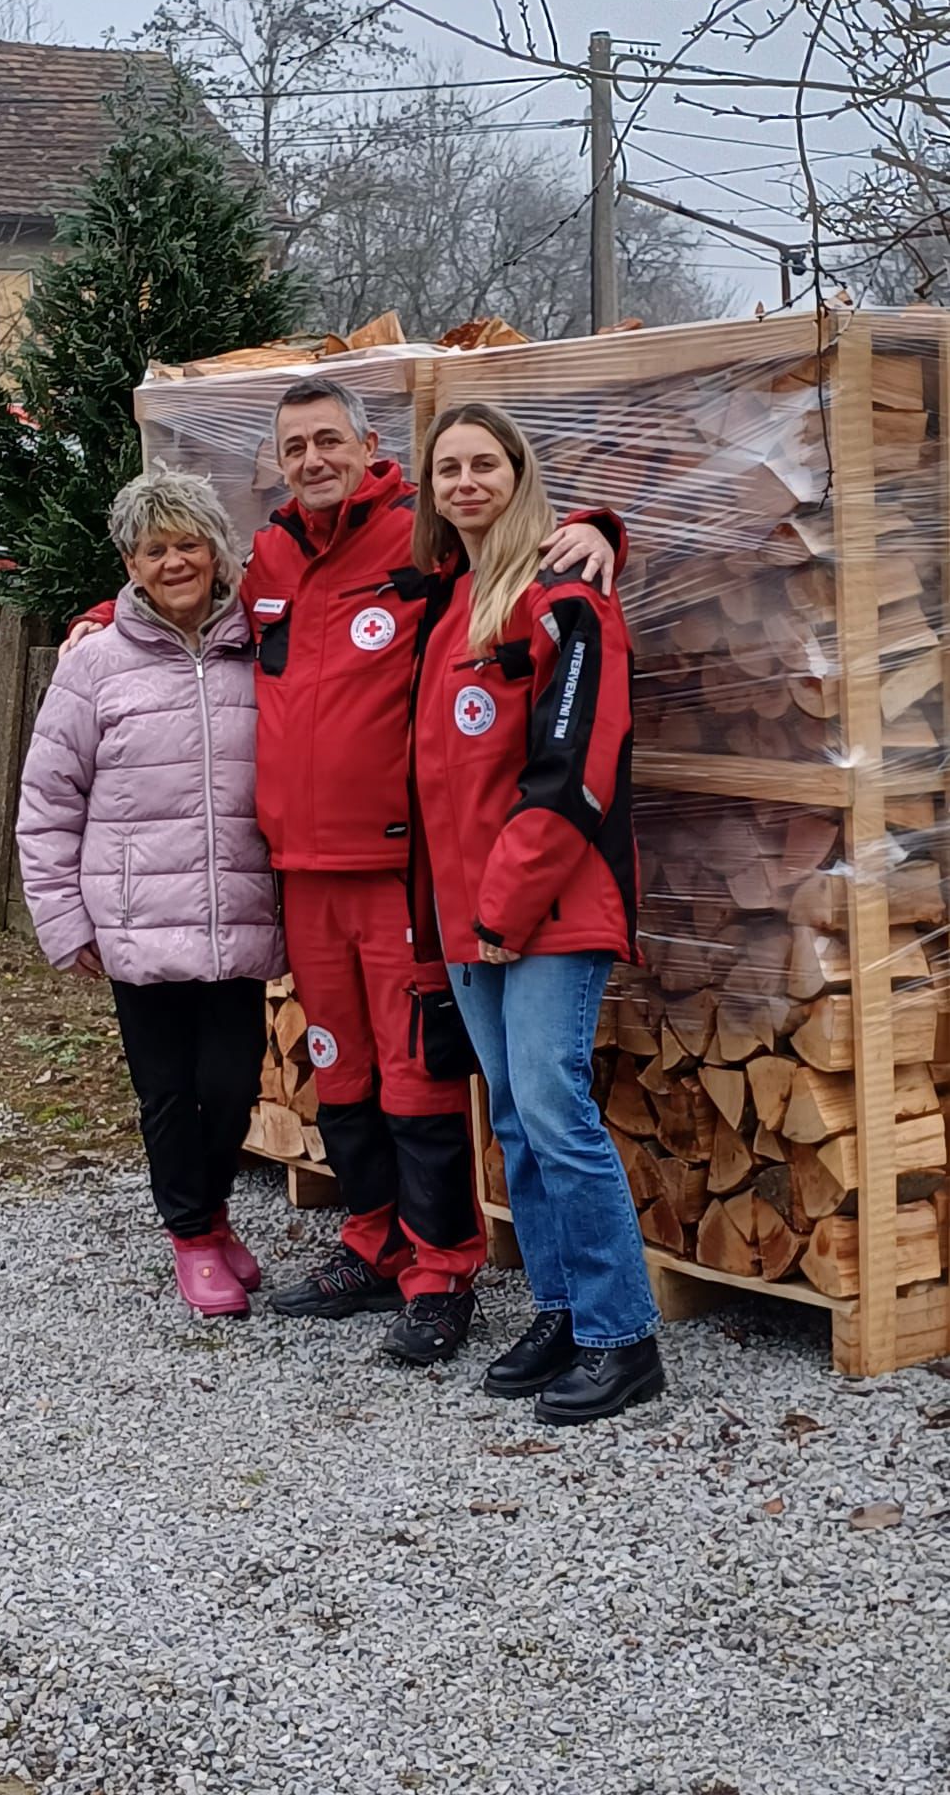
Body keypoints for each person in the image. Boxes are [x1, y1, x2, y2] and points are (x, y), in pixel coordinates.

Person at [65, 376, 621, 1367]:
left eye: (330, 440)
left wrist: (597, 526)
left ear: (368, 446)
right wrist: (110, 611)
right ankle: (373, 1241)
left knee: (417, 1074)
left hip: (399, 868)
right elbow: (192, 602)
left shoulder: (420, 537)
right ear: (278, 462)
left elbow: (509, 535)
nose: (313, 460)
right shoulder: (273, 554)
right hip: (302, 871)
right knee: (341, 1067)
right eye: (295, 446)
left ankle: (440, 1269)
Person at [407, 400, 663, 1424]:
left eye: (485, 464)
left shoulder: (565, 600)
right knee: (514, 1115)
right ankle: (561, 1310)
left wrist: (504, 907)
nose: (466, 482)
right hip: (472, 917)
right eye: (448, 468)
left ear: (519, 474)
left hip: (549, 907)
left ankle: (623, 1336)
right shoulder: (451, 601)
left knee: (556, 1113)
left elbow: (574, 769)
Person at [17, 467, 284, 1319]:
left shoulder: (259, 648)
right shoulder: (95, 665)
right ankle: (193, 1236)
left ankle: (212, 1211)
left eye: (188, 544)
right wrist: (63, 920)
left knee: (233, 1085)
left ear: (217, 552)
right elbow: (48, 800)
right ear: (130, 564)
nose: (175, 563)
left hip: (237, 912)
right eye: (154, 549)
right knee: (169, 1091)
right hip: (136, 920)